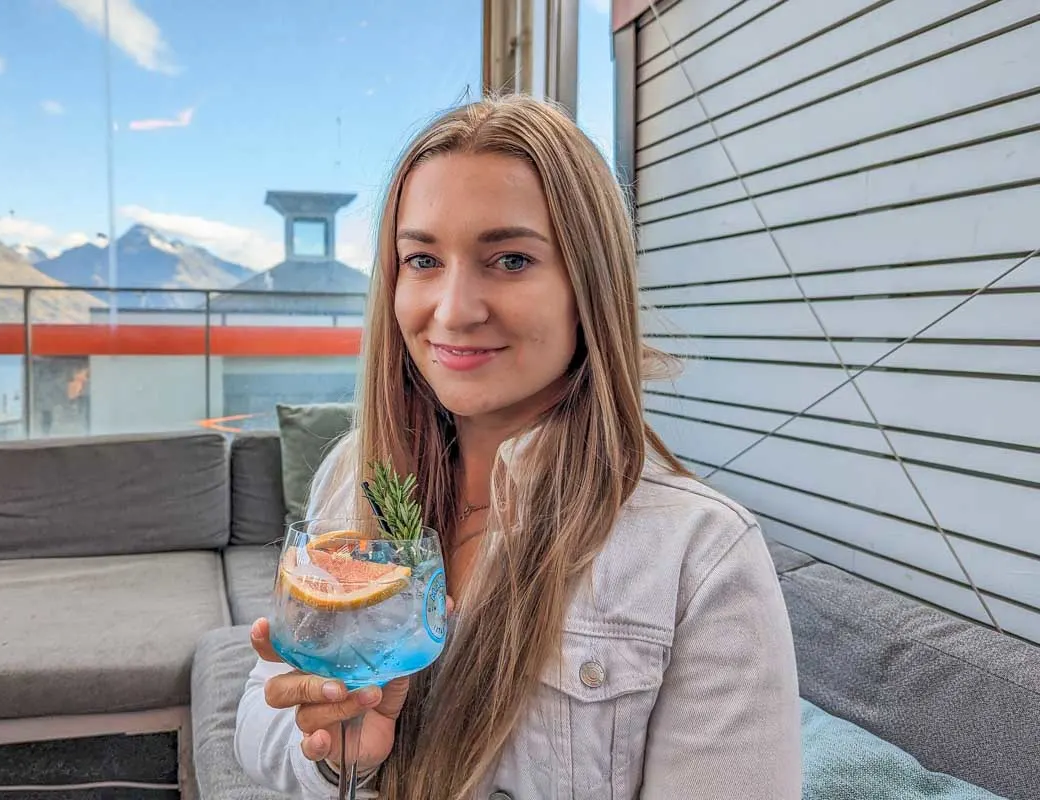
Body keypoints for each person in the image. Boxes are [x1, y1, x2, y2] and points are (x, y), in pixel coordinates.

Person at [234, 95, 800, 799]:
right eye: (423, 259)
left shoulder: (698, 555)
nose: (453, 309)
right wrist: (339, 754)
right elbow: (259, 721)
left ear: (588, 286)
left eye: (509, 258)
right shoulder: (352, 474)